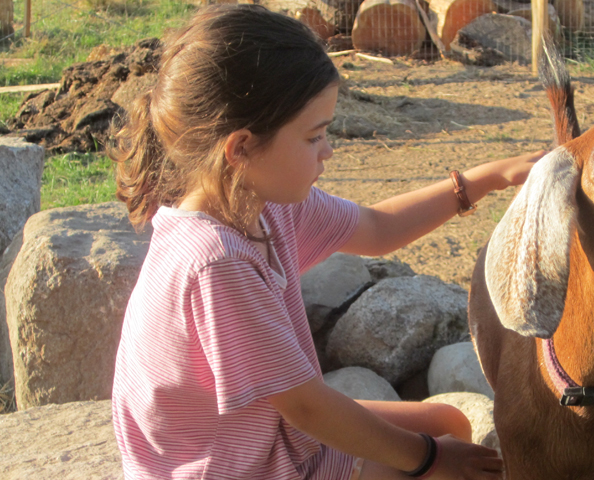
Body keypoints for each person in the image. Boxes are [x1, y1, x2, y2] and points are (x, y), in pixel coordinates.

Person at [110, 4, 545, 480]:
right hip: (234, 466)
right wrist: (428, 458)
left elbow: (378, 229)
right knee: (443, 463)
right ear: (241, 148)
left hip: (261, 433)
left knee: (448, 422)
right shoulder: (215, 263)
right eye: (314, 136)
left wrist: (490, 177)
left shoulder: (265, 206)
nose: (329, 150)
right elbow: (308, 409)